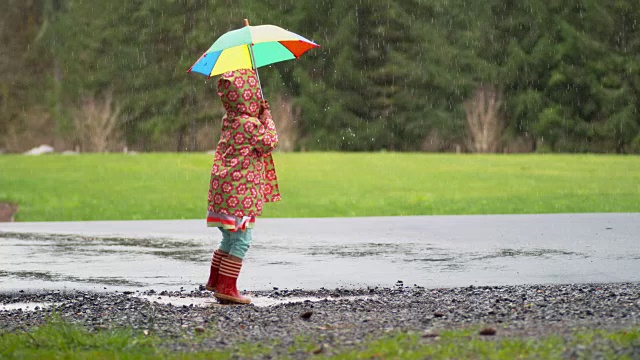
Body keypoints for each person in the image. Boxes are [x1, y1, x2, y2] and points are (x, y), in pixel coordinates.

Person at [204, 69, 280, 304]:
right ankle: (227, 288)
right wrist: (266, 116)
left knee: (229, 238)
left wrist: (258, 114)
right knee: (242, 239)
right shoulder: (249, 124)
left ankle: (216, 281)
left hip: (225, 191)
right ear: (248, 96)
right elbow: (270, 141)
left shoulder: (230, 119)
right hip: (240, 192)